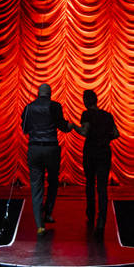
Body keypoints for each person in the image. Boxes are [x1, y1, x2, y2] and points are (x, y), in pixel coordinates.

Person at [20, 83, 72, 235]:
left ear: (38, 93)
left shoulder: (29, 107)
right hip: (51, 149)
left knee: (36, 187)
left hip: (34, 148)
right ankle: (48, 212)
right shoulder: (55, 106)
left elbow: (24, 129)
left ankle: (39, 225)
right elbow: (63, 126)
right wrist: (72, 126)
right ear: (50, 94)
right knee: (53, 181)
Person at [73, 89, 119, 240]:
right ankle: (101, 223)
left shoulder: (87, 114)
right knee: (102, 188)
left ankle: (91, 214)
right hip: (104, 152)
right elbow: (116, 134)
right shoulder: (107, 115)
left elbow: (85, 132)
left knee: (90, 185)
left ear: (87, 100)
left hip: (91, 153)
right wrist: (104, 139)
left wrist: (74, 127)